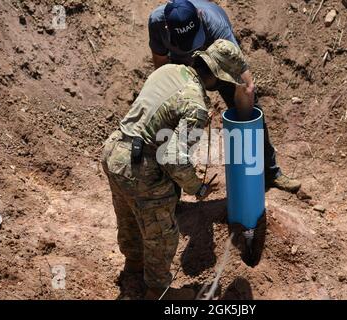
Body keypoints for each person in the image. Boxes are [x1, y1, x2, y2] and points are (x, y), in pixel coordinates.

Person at [101, 40, 248, 300]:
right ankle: (157, 291)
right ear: (215, 76)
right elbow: (172, 158)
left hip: (115, 153)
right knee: (163, 234)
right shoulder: (195, 106)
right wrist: (197, 187)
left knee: (129, 217)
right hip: (141, 169)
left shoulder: (167, 71)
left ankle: (133, 267)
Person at [148, 0, 301, 192]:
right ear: (167, 28)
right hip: (183, 69)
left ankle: (269, 173)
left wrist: (245, 126)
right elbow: (162, 67)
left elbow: (245, 84)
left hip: (219, 64)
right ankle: (173, 187)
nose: (190, 46)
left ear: (199, 17)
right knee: (171, 121)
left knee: (252, 111)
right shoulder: (157, 22)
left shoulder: (216, 27)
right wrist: (181, 102)